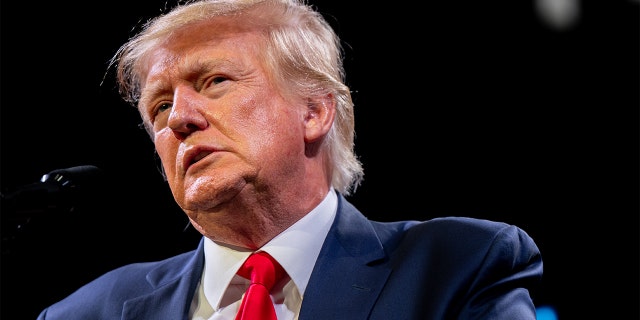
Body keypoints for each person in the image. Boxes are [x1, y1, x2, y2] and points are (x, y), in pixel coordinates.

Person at [37, 0, 543, 319]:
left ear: (315, 110)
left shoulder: (457, 266)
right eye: (161, 105)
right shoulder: (84, 312)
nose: (179, 120)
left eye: (215, 82)